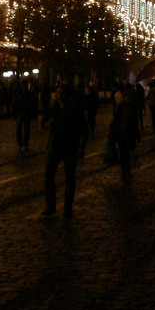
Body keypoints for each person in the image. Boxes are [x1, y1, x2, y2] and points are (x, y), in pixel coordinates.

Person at [41, 83, 89, 219]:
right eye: (58, 93)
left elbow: (84, 130)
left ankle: (68, 206)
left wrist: (82, 148)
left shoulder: (75, 109)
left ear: (67, 95)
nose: (59, 96)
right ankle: (50, 205)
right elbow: (44, 122)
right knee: (48, 174)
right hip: (55, 145)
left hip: (70, 145)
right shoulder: (54, 108)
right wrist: (47, 123)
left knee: (69, 177)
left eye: (62, 93)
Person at [111, 85, 141, 180]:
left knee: (125, 153)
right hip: (123, 133)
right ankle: (125, 170)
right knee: (124, 153)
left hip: (127, 133)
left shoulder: (130, 107)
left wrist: (137, 133)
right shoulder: (124, 107)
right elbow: (116, 121)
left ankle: (126, 170)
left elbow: (135, 122)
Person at [14, 79, 33, 151]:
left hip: (26, 113)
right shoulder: (18, 94)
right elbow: (15, 103)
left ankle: (25, 144)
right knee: (19, 129)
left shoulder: (28, 94)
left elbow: (31, 104)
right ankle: (20, 144)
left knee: (26, 130)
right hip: (20, 113)